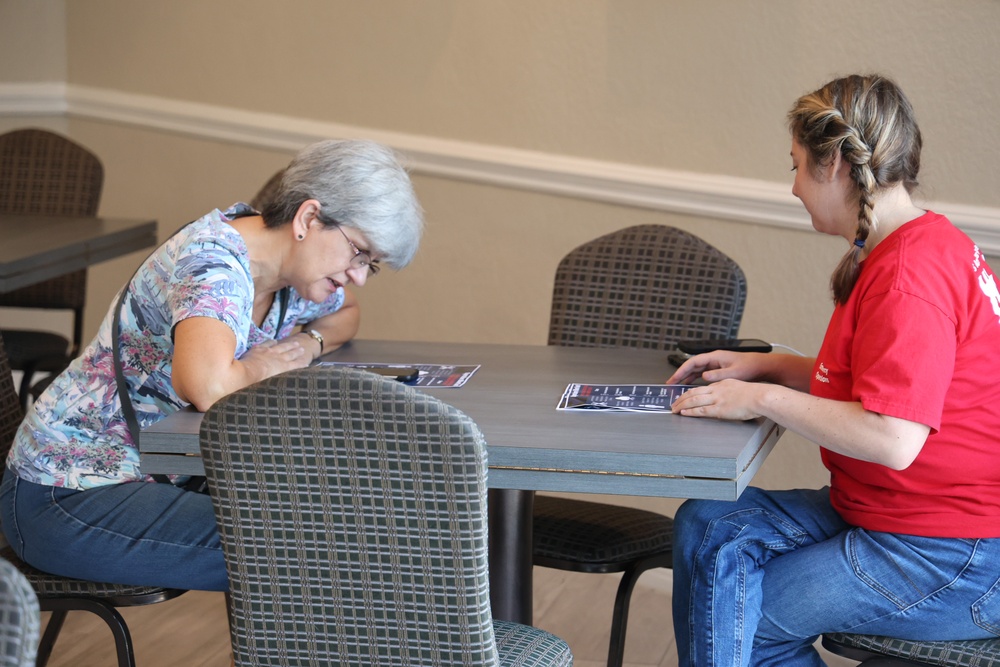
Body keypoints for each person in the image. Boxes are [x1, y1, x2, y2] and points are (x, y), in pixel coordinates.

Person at [666, 74, 1000, 666]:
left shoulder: (909, 278)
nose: (793, 186)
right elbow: (878, 381)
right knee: (708, 522)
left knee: (742, 618)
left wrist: (762, 400)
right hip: (893, 517)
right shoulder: (915, 246)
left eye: (796, 165)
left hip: (952, 552)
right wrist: (769, 367)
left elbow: (893, 438)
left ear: (838, 165)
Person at [0, 138, 424, 591]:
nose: (358, 274)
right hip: (66, 493)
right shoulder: (214, 263)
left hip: (157, 475)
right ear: (308, 219)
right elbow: (206, 386)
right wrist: (263, 366)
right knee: (317, 551)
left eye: (371, 265)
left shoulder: (292, 277)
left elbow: (346, 313)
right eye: (359, 253)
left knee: (354, 526)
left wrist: (307, 345)